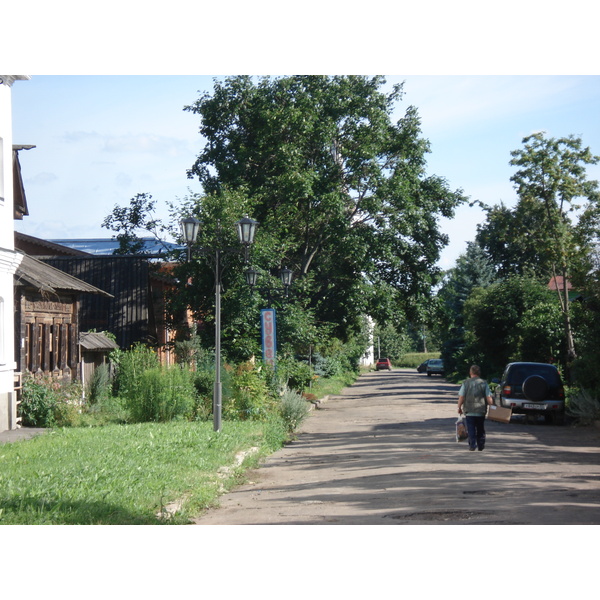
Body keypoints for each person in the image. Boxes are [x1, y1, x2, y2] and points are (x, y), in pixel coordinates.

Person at [457, 365, 494, 451]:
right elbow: (488, 397)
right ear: (479, 373)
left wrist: (459, 407)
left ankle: (472, 445)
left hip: (469, 410)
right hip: (481, 410)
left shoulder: (466, 383)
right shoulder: (484, 383)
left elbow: (461, 397)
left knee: (471, 429)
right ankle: (481, 445)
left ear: (470, 373)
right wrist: (492, 406)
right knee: (480, 428)